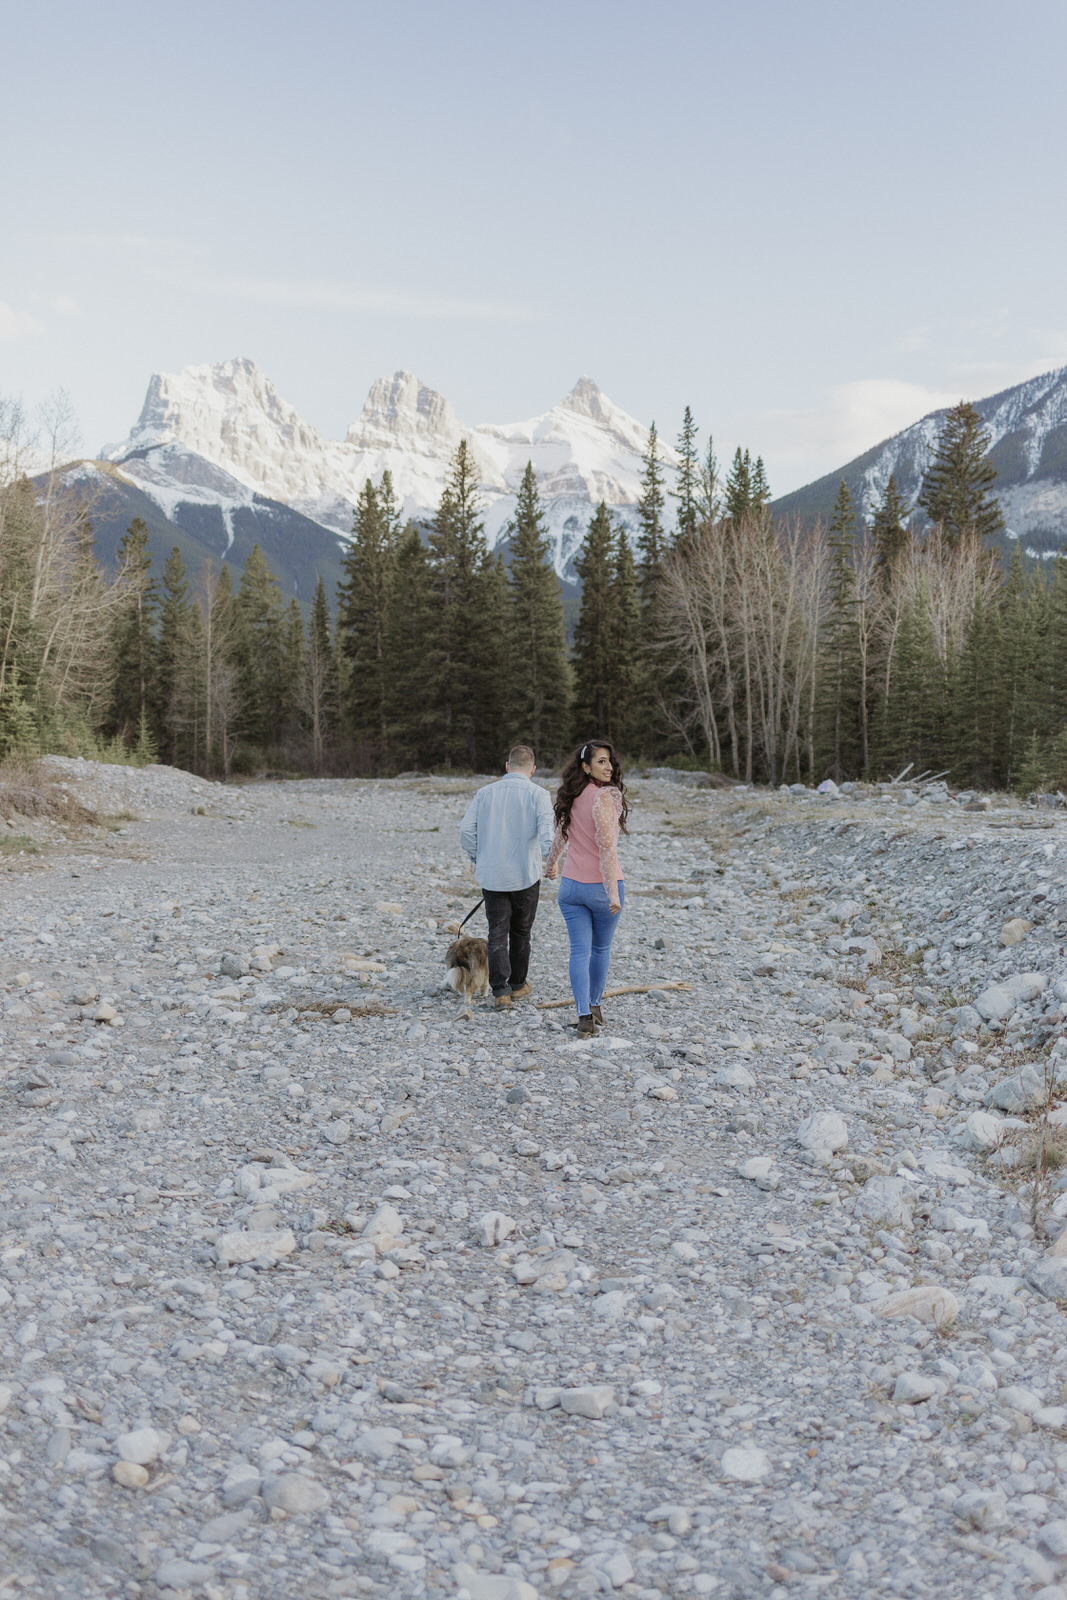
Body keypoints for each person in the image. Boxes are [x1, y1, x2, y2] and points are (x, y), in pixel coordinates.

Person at [460, 744, 555, 1008]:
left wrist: (477, 858)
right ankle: (518, 985)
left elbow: (466, 831)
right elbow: (548, 832)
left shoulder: (484, 793)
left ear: (507, 766)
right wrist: (552, 861)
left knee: (497, 932)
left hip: (493, 875)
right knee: (522, 933)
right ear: (533, 770)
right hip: (526, 874)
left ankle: (500, 992)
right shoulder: (539, 794)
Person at [545, 739, 628, 1038]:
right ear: (585, 766)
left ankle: (584, 1018)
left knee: (579, 952)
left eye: (609, 761)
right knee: (600, 948)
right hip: (601, 888)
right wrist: (613, 893)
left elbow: (559, 837)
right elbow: (607, 850)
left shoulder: (572, 795)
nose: (608, 767)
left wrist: (550, 865)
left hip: (570, 888)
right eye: (601, 761)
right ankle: (594, 1006)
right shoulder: (604, 798)